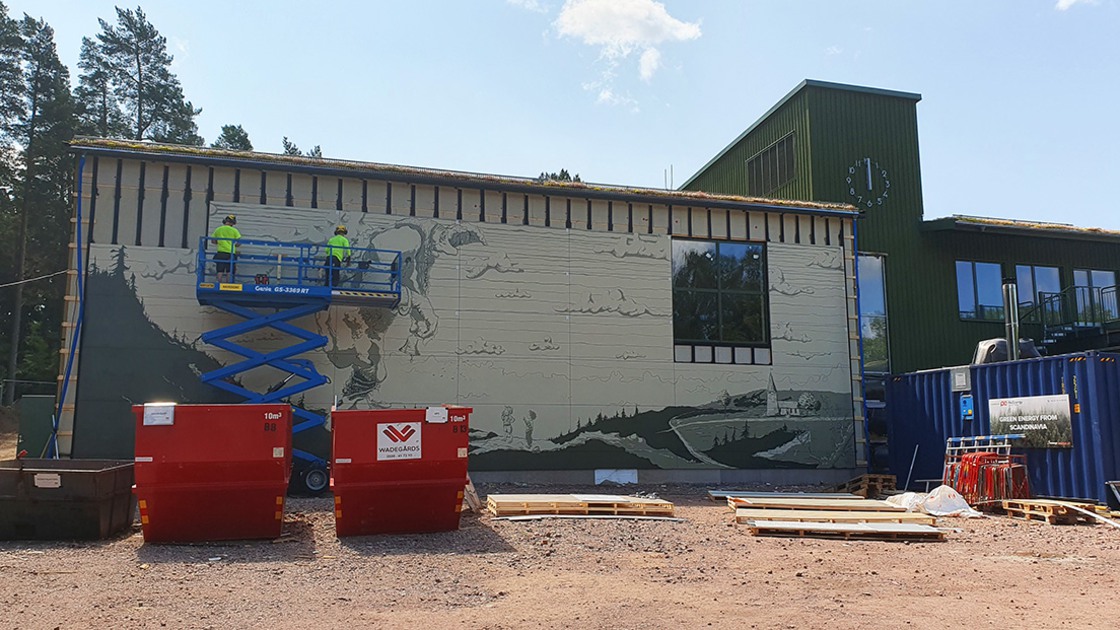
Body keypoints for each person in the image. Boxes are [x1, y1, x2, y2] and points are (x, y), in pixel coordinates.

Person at [210, 215, 241, 283]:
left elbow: (213, 241)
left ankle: (219, 282)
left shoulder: (218, 229)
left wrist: (220, 243)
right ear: (232, 223)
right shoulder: (234, 230)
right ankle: (228, 284)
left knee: (220, 269)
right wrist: (235, 246)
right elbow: (239, 242)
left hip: (221, 252)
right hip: (231, 253)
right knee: (229, 270)